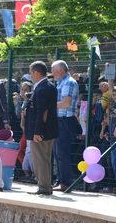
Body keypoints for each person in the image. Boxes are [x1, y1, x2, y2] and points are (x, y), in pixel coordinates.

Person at [26, 61, 58, 195]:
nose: (30, 75)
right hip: (49, 130)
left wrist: (37, 131)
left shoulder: (42, 88)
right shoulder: (48, 86)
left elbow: (42, 112)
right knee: (44, 159)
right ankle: (45, 186)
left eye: (31, 72)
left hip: (42, 131)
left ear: (36, 73)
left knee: (40, 159)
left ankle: (44, 188)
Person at [50, 60, 80, 192]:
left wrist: (48, 105)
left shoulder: (69, 82)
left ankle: (65, 183)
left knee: (62, 153)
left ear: (61, 70)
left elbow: (66, 103)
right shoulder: (61, 82)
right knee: (57, 153)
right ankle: (60, 180)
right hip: (59, 120)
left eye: (53, 70)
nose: (52, 73)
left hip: (65, 121)